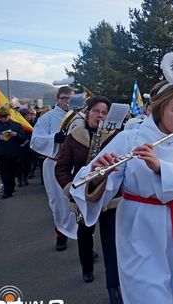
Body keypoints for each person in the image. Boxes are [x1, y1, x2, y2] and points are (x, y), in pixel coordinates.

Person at [69, 76, 173, 303]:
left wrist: (162, 169)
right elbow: (92, 186)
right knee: (148, 294)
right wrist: (101, 173)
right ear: (158, 111)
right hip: (141, 227)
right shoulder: (129, 139)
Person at [54, 96, 122, 303]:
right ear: (87, 112)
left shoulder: (116, 137)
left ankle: (114, 286)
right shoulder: (74, 136)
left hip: (110, 200)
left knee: (111, 242)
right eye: (96, 111)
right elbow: (62, 168)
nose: (99, 116)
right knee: (85, 235)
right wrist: (70, 189)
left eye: (104, 112)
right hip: (83, 199)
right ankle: (87, 267)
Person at [30, 86, 78, 250]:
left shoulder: (80, 117)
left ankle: (85, 241)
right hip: (54, 164)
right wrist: (54, 138)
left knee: (80, 201)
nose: (67, 102)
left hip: (77, 165)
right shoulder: (47, 118)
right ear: (58, 99)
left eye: (71, 98)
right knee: (58, 202)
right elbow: (35, 140)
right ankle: (61, 234)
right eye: (64, 98)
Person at [0, 106, 26, 199]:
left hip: (13, 153)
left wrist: (16, 134)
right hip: (1, 153)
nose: (3, 118)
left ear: (9, 115)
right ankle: (7, 191)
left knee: (12, 172)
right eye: (1, 116)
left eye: (5, 116)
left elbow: (23, 138)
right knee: (4, 173)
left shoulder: (16, 125)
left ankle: (11, 186)